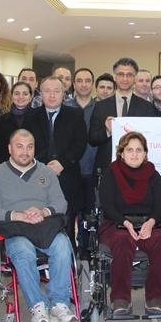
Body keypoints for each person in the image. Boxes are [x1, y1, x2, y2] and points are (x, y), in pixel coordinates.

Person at [0, 129, 77, 322]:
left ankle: (59, 303)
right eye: (19, 146)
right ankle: (38, 306)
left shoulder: (46, 172)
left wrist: (43, 212)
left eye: (29, 147)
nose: (25, 152)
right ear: (9, 148)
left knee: (62, 245)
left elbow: (60, 202)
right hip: (15, 228)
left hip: (44, 226)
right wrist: (19, 215)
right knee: (23, 251)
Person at [98, 132, 161, 315]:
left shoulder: (153, 175)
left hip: (149, 223)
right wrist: (125, 223)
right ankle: (121, 299)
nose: (134, 154)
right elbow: (107, 205)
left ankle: (155, 298)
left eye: (139, 150)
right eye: (129, 150)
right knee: (122, 240)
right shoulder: (111, 173)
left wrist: (151, 222)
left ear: (145, 153)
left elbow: (160, 205)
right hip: (117, 222)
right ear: (121, 153)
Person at [23, 76, 87, 247]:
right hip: (38, 176)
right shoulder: (30, 116)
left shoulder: (75, 114)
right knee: (40, 221)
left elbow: (80, 144)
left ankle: (69, 259)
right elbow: (27, 144)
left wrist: (62, 163)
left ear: (63, 94)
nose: (52, 95)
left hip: (68, 175)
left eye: (56, 91)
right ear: (40, 94)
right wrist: (44, 166)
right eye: (47, 91)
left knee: (67, 223)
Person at [89, 57, 156, 172]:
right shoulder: (100, 106)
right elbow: (92, 139)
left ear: (135, 78)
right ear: (114, 77)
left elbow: (150, 139)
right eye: (121, 74)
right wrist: (107, 131)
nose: (125, 79)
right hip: (108, 168)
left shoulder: (147, 107)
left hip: (137, 168)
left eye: (129, 75)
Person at [66, 68, 99, 256]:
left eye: (87, 81)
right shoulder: (65, 107)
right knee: (69, 214)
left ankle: (86, 251)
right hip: (70, 170)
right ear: (74, 84)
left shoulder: (100, 107)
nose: (83, 84)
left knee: (89, 215)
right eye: (79, 80)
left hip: (92, 169)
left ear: (92, 84)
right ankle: (69, 251)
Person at [0, 81, 33, 170]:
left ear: (31, 97)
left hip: (32, 166)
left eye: (25, 94)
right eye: (17, 93)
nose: (21, 97)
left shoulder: (39, 117)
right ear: (12, 96)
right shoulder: (3, 120)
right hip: (7, 167)